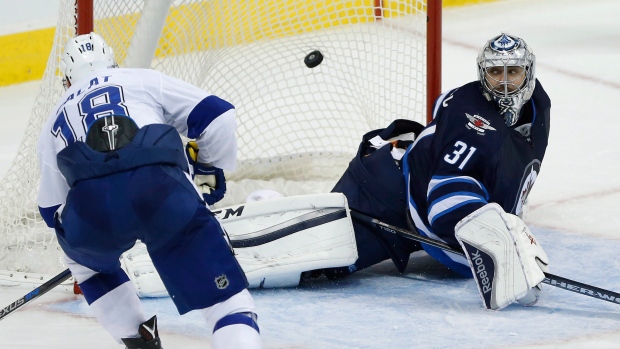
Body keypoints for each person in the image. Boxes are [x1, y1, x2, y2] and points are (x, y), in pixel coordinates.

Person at [37, 32, 262, 348]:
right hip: (161, 192)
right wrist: (207, 171)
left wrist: (95, 238)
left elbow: (50, 211)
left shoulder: (52, 121)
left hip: (92, 214)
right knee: (229, 307)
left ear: (67, 81)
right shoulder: (140, 79)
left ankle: (138, 340)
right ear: (114, 63)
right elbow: (219, 115)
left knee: (86, 267)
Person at [328, 33, 551, 310]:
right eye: (495, 72)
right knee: (325, 256)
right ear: (483, 74)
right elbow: (444, 206)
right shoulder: (475, 127)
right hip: (389, 198)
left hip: (410, 181)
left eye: (513, 71)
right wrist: (502, 245)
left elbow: (446, 105)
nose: (504, 82)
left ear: (529, 72)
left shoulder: (537, 104)